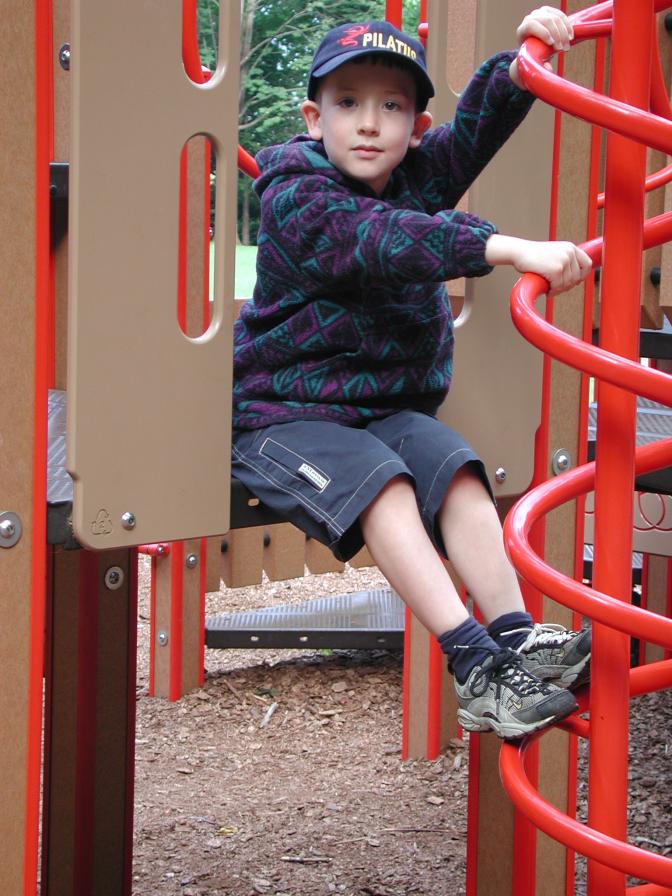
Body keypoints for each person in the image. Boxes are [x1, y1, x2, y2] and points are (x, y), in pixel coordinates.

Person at [231, 7, 592, 740]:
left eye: (391, 106)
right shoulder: (296, 197)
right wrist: (501, 247)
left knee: (454, 465)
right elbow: (383, 241)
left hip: (379, 409)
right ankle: (475, 668)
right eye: (348, 103)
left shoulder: (407, 176)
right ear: (313, 119)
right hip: (283, 414)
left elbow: (469, 144)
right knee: (383, 479)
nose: (369, 124)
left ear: (414, 126)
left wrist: (521, 65)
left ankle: (515, 633)